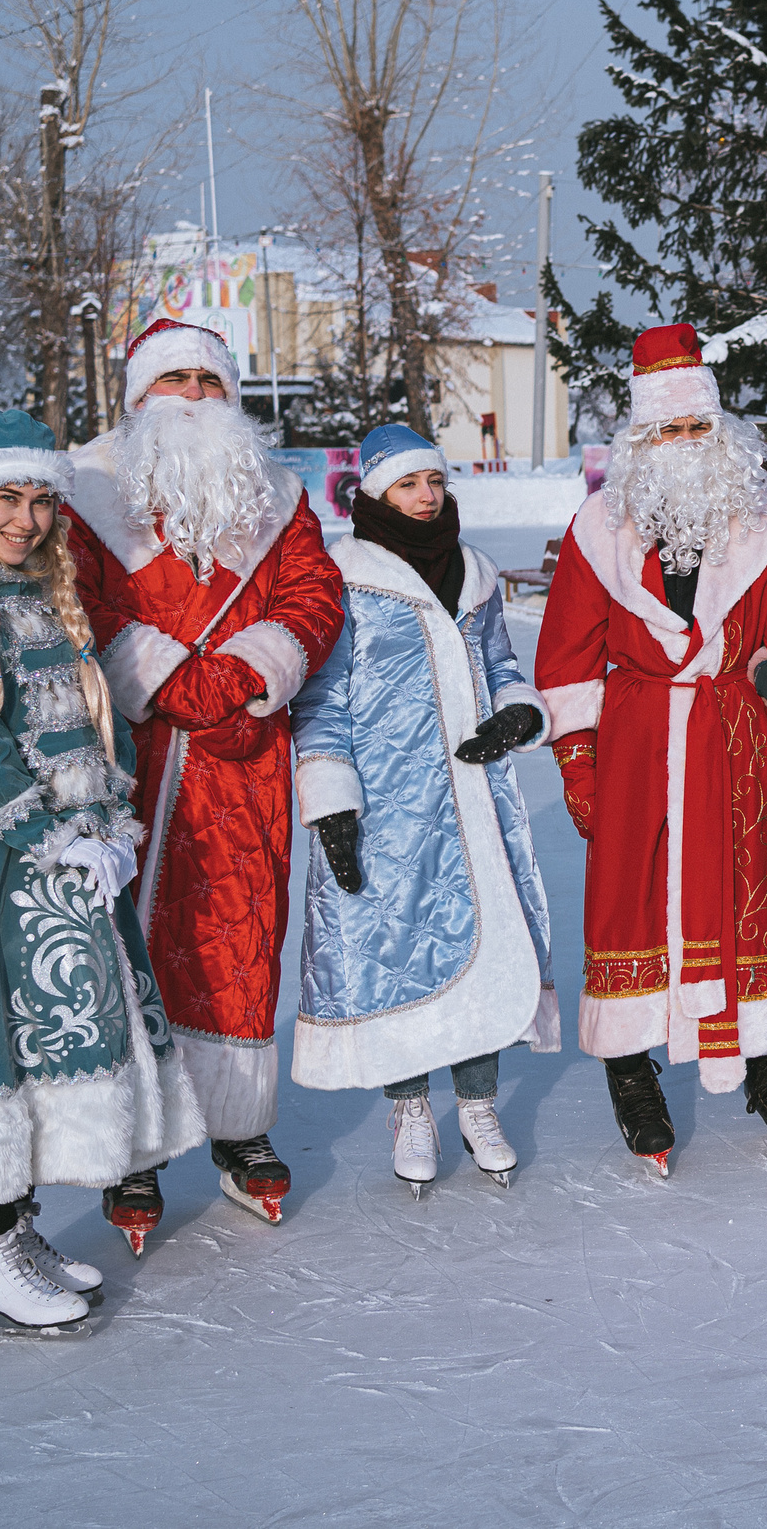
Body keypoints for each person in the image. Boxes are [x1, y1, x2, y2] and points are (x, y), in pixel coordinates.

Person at [0, 410, 206, 1329]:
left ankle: (18, 1234)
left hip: (72, 866)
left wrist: (112, 821)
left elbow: (97, 725)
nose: (24, 520)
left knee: (42, 1047)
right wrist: (51, 834)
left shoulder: (49, 592)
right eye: (5, 498)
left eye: (39, 501)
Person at [533, 324, 767, 1176]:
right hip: (638, 745)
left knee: (749, 897)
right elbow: (566, 656)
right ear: (640, 439)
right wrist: (578, 759)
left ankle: (764, 1064)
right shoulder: (597, 530)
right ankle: (631, 1069)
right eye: (666, 429)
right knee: (631, 903)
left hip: (737, 742)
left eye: (696, 427)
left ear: (721, 432)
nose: (682, 442)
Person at [63, 319, 346, 1234]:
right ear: (137, 397)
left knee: (241, 936)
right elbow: (75, 599)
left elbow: (314, 592)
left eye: (209, 380)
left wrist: (251, 672)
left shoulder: (279, 495)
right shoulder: (85, 490)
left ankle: (238, 1127)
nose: (191, 395)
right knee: (129, 945)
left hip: (245, 753)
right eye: (172, 379)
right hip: (133, 756)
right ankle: (136, 1142)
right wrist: (171, 680)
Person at [288, 424, 559, 1195]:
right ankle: (409, 1108)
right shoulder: (345, 577)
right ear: (376, 492)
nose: (426, 496)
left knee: (486, 942)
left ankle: (477, 1105)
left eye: (434, 481)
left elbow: (500, 662)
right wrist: (331, 800)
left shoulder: (473, 572)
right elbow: (323, 698)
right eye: (409, 484)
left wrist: (517, 709)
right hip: (386, 803)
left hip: (474, 796)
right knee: (395, 951)